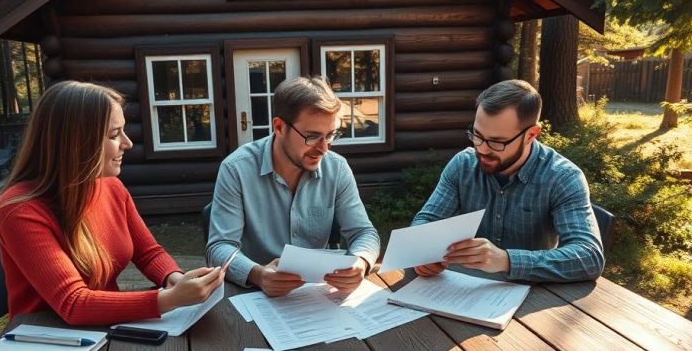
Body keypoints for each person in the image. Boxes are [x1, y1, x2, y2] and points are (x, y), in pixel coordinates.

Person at [0, 81, 223, 326]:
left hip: (102, 328)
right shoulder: (19, 210)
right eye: (114, 135)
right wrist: (170, 299)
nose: (128, 143)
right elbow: (73, 303)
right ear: (76, 143)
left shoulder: (110, 186)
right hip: (45, 339)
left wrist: (174, 278)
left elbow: (148, 252)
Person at [412, 79, 603, 283]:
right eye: (477, 135)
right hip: (465, 289)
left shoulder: (562, 177)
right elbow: (425, 222)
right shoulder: (463, 165)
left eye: (496, 142)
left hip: (537, 293)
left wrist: (506, 260)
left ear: (531, 134)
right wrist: (422, 250)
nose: (482, 149)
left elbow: (588, 257)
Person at [206, 76, 380, 296]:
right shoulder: (236, 169)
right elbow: (219, 247)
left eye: (330, 135)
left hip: (317, 296)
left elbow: (364, 233)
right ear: (279, 127)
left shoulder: (337, 168)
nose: (324, 149)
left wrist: (361, 262)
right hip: (254, 296)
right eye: (312, 137)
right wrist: (257, 274)